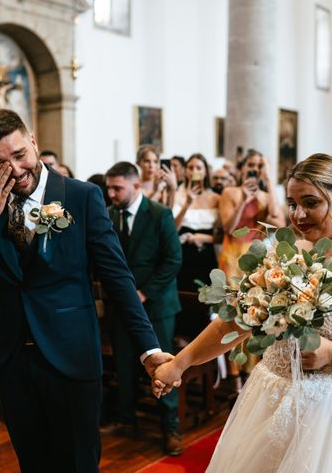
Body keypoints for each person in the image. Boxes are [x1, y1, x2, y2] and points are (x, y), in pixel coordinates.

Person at [152, 153, 332, 472]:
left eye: (311, 203)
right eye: (292, 203)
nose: (298, 215)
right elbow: (238, 319)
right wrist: (180, 362)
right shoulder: (284, 254)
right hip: (273, 403)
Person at [0, 109, 171, 472]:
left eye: (20, 155)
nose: (16, 170)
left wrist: (149, 348)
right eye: (0, 163)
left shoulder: (82, 197)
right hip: (11, 358)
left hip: (72, 354)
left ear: (32, 141)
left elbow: (117, 277)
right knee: (33, 462)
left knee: (78, 462)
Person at [103, 161, 183, 455]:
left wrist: (145, 293)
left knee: (163, 367)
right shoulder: (108, 215)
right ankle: (126, 420)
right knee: (124, 365)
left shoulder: (159, 214)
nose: (110, 193)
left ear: (136, 186)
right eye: (109, 187)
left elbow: (173, 260)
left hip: (157, 306)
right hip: (121, 308)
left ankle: (170, 427)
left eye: (117, 187)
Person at [218, 151, 284, 281]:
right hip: (233, 255)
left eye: (260, 166)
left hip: (258, 256)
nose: (255, 168)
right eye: (250, 164)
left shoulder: (266, 197)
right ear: (242, 168)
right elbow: (229, 229)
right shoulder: (230, 192)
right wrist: (243, 200)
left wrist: (268, 179)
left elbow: (277, 218)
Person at [172, 153, 220, 292]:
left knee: (208, 295)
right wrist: (187, 204)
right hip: (182, 251)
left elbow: (223, 233)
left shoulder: (216, 198)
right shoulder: (176, 195)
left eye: (199, 168)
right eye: (190, 167)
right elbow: (173, 229)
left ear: (205, 172)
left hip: (207, 252)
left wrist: (203, 238)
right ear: (185, 171)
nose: (194, 171)